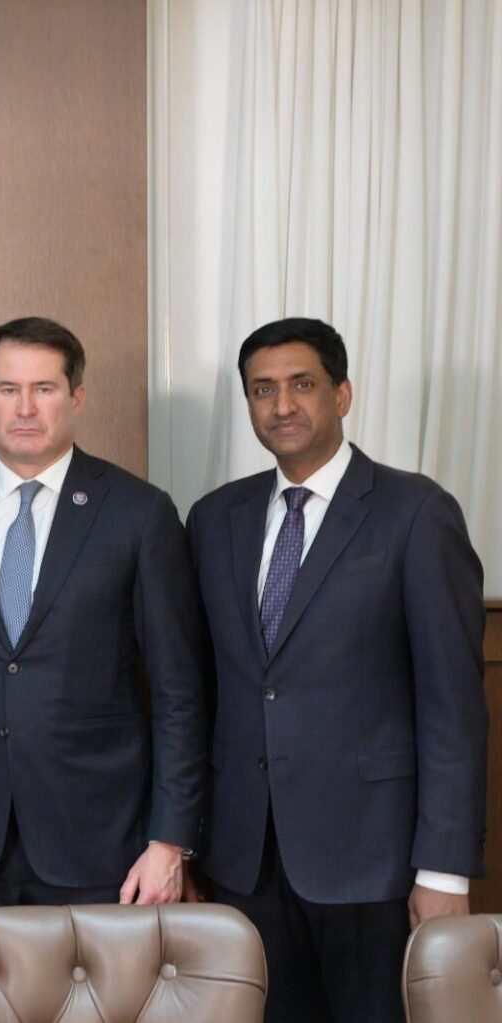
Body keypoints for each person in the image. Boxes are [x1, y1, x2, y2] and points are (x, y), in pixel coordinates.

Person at [188, 317, 486, 1023]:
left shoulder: (416, 512)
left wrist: (444, 869)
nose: (282, 405)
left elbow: (452, 706)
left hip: (373, 862)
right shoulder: (213, 518)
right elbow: (197, 693)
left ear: (342, 394)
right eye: (263, 389)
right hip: (244, 863)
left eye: (302, 384)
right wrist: (190, 844)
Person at [0, 317, 206, 909]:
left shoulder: (138, 514)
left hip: (100, 842)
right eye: (9, 389)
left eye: (44, 388)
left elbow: (178, 692)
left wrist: (170, 840)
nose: (25, 408)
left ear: (77, 397)